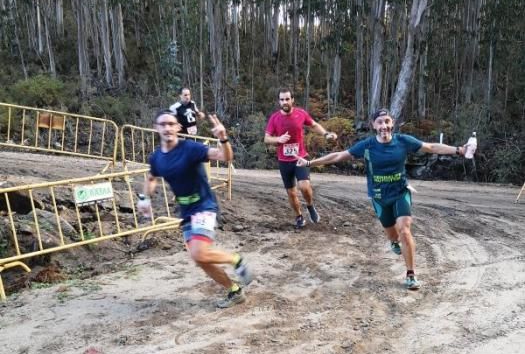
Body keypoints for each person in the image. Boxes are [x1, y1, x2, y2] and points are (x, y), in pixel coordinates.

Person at [297, 107, 467, 290]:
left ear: (392, 123)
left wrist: (458, 150)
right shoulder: (367, 145)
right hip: (379, 197)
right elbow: (339, 156)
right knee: (393, 235)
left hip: (400, 193)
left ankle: (411, 274)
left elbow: (431, 147)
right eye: (380, 122)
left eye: (387, 121)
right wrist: (310, 163)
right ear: (373, 125)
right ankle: (393, 241)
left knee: (405, 230)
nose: (384, 126)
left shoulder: (403, 141)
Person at [138, 109, 252, 308]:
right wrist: (144, 198)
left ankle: (236, 260)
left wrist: (223, 139)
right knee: (201, 259)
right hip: (186, 212)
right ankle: (234, 291)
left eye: (171, 124)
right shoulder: (156, 157)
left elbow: (225, 157)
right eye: (162, 124)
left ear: (178, 127)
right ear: (156, 128)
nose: (167, 128)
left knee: (198, 254)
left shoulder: (190, 148)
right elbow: (151, 177)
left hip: (205, 206)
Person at [264, 88, 338, 229]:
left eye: (287, 99)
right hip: (284, 161)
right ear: (279, 101)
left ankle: (310, 206)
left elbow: (314, 125)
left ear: (292, 100)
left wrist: (326, 134)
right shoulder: (274, 118)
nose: (284, 102)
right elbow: (266, 139)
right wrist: (278, 139)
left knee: (304, 186)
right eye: (282, 99)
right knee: (291, 192)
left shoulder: (300, 114)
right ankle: (299, 216)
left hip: (300, 158)